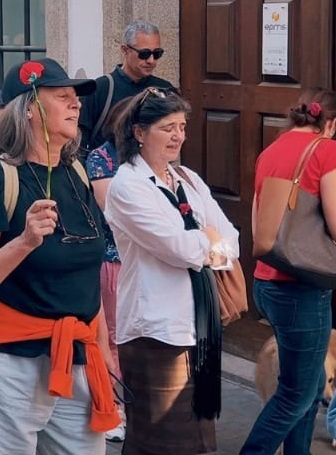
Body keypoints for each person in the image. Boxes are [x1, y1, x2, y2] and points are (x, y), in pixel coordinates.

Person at [0, 58, 121, 454]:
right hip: (10, 367)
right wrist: (24, 241)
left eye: (75, 97)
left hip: (76, 360)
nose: (75, 105)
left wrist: (104, 351)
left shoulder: (76, 171)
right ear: (28, 108)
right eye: (62, 96)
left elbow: (86, 275)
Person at [105, 87, 240, 455]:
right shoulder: (127, 186)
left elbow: (232, 241)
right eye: (167, 127)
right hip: (156, 330)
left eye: (181, 126)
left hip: (198, 327)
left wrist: (207, 244)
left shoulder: (189, 180)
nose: (178, 136)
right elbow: (176, 248)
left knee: (199, 439)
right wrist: (206, 242)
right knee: (160, 440)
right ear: (139, 133)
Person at [240, 88, 336, 455]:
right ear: (332, 124)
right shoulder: (330, 151)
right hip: (301, 292)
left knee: (309, 389)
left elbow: (261, 228)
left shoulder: (271, 151)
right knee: (294, 397)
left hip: (268, 283)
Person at [83, 95, 133, 442]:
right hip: (114, 258)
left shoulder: (149, 161)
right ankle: (114, 408)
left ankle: (133, 406)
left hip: (140, 260)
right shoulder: (101, 158)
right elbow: (110, 210)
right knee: (112, 336)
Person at [79, 20, 177, 151]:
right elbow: (80, 140)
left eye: (157, 53)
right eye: (144, 54)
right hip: (109, 170)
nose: (151, 60)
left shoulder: (165, 90)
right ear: (125, 50)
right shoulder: (100, 88)